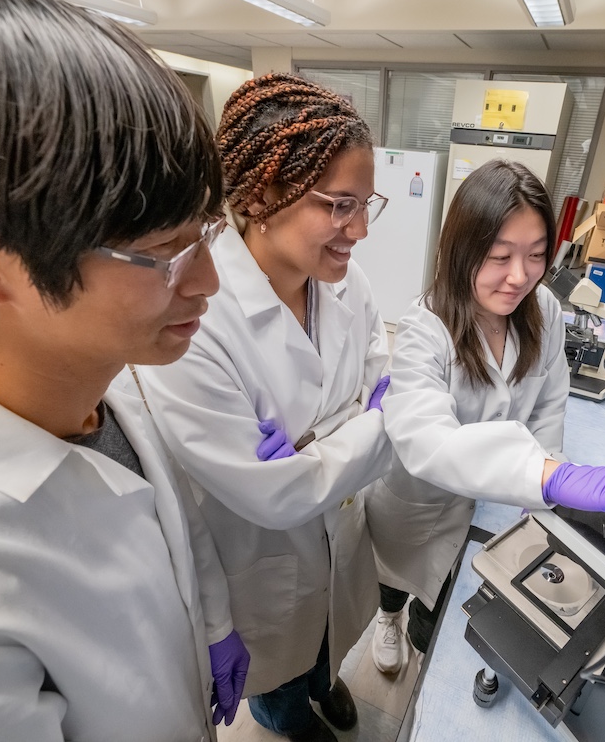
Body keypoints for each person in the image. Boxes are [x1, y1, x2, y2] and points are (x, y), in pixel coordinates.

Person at [0, 0, 249, 740]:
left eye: (205, 232)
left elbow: (161, 513)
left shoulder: (90, 366)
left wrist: (211, 622)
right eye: (163, 250)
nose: (208, 281)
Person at [365, 159, 605, 675]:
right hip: (417, 500)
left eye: (535, 255)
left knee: (442, 604)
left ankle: (423, 638)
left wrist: (548, 469)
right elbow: (427, 441)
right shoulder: (426, 327)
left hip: (488, 502)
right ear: (461, 251)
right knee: (396, 578)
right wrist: (552, 477)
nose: (519, 277)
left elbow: (549, 401)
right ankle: (387, 618)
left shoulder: (543, 311)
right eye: (499, 257)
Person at [135, 73, 392, 742]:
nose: (361, 229)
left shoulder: (348, 282)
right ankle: (288, 720)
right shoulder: (195, 319)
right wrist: (368, 426)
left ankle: (325, 682)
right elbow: (274, 496)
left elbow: (384, 374)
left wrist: (315, 454)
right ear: (262, 194)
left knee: (328, 640)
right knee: (281, 675)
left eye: (367, 204)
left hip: (339, 535)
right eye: (340, 205)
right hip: (261, 559)